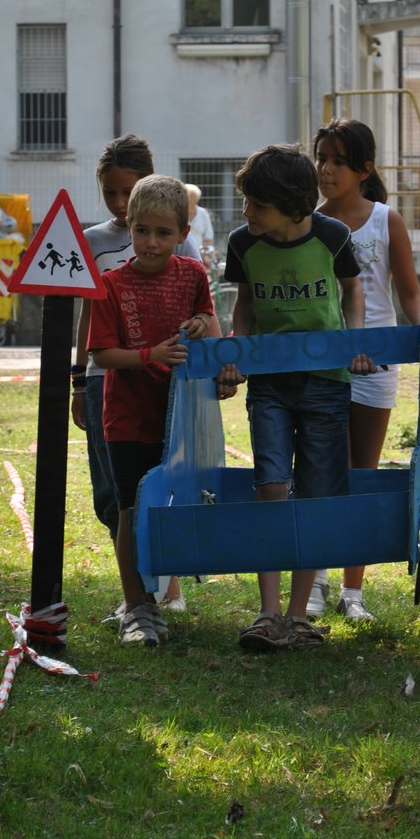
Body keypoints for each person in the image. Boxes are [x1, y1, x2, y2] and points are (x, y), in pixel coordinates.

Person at [219, 143, 374, 652]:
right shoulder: (243, 244)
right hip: (269, 383)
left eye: (256, 205)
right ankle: (266, 613)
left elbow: (353, 290)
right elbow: (243, 303)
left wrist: (354, 343)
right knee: (270, 485)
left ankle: (298, 614)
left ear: (292, 205)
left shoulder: (334, 236)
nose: (246, 213)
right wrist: (237, 352)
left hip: (327, 382)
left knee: (316, 492)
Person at [87, 174, 231, 648]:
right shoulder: (110, 284)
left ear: (183, 234)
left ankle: (161, 595)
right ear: (128, 227)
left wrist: (201, 324)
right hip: (126, 418)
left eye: (163, 233)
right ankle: (136, 609)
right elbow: (103, 355)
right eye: (142, 230)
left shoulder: (192, 275)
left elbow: (210, 324)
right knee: (131, 509)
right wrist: (150, 355)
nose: (151, 242)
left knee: (172, 507)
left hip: (180, 415)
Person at [72, 136, 202, 616]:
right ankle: (137, 594)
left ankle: (166, 587)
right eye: (111, 194)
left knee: (165, 487)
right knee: (116, 495)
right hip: (111, 380)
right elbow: (89, 322)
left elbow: (203, 315)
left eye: (129, 191)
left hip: (167, 386)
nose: (120, 204)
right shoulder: (95, 246)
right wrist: (79, 379)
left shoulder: (181, 257)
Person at [308, 117, 420, 622]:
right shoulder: (306, 221)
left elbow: (410, 294)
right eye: (322, 158)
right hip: (319, 366)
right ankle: (312, 580)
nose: (326, 170)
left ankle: (352, 593)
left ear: (364, 169)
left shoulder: (386, 220)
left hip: (376, 366)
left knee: (362, 473)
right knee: (316, 473)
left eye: (338, 161)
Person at [184, 184, 215, 259]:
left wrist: (206, 254)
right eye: (188, 198)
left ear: (197, 200)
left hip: (198, 254)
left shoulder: (203, 214)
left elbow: (209, 238)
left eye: (192, 198)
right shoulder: (178, 213)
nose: (190, 201)